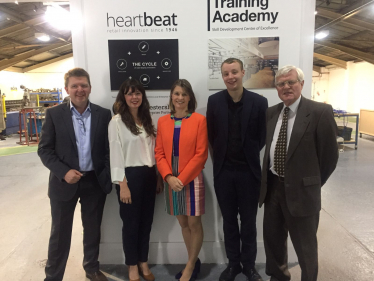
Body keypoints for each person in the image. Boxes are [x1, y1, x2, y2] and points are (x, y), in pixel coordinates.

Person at [259, 65, 339, 281]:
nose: (286, 87)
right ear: (276, 88)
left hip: (302, 192)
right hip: (273, 188)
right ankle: (278, 277)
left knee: (306, 248)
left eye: (290, 82)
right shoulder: (271, 113)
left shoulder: (319, 112)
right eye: (281, 83)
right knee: (273, 242)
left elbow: (330, 158)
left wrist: (310, 183)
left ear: (301, 84)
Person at [38, 68, 112, 281]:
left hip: (94, 183)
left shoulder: (103, 114)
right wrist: (64, 172)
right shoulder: (54, 114)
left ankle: (91, 268)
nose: (80, 90)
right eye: (75, 86)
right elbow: (44, 150)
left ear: (90, 88)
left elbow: (108, 150)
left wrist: (104, 175)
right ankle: (53, 276)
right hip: (64, 183)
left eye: (84, 85)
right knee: (59, 234)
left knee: (92, 230)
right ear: (67, 89)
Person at [206, 58, 267, 281]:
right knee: (230, 222)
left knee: (249, 223)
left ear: (243, 72)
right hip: (224, 173)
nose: (230, 77)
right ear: (222, 77)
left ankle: (249, 266)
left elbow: (262, 136)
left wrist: (248, 154)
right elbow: (211, 135)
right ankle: (233, 264)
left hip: (249, 173)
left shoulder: (259, 102)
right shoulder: (214, 102)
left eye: (234, 72)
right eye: (226, 73)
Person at [109, 79, 163, 281]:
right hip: (129, 178)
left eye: (138, 93)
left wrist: (157, 175)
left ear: (143, 96)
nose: (134, 97)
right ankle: (132, 266)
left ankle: (143, 261)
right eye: (130, 93)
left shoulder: (147, 119)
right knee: (131, 225)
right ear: (123, 97)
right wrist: (122, 184)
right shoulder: (116, 122)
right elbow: (115, 154)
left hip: (149, 177)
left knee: (146, 222)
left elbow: (152, 152)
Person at [155, 79, 208, 281]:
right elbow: (159, 153)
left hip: (191, 177)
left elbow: (201, 154)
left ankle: (190, 266)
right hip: (170, 178)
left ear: (189, 98)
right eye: (176, 93)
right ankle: (192, 261)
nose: (180, 98)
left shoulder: (199, 120)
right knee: (183, 223)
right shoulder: (162, 121)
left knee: (194, 223)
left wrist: (182, 178)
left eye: (184, 94)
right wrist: (168, 177)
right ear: (171, 96)